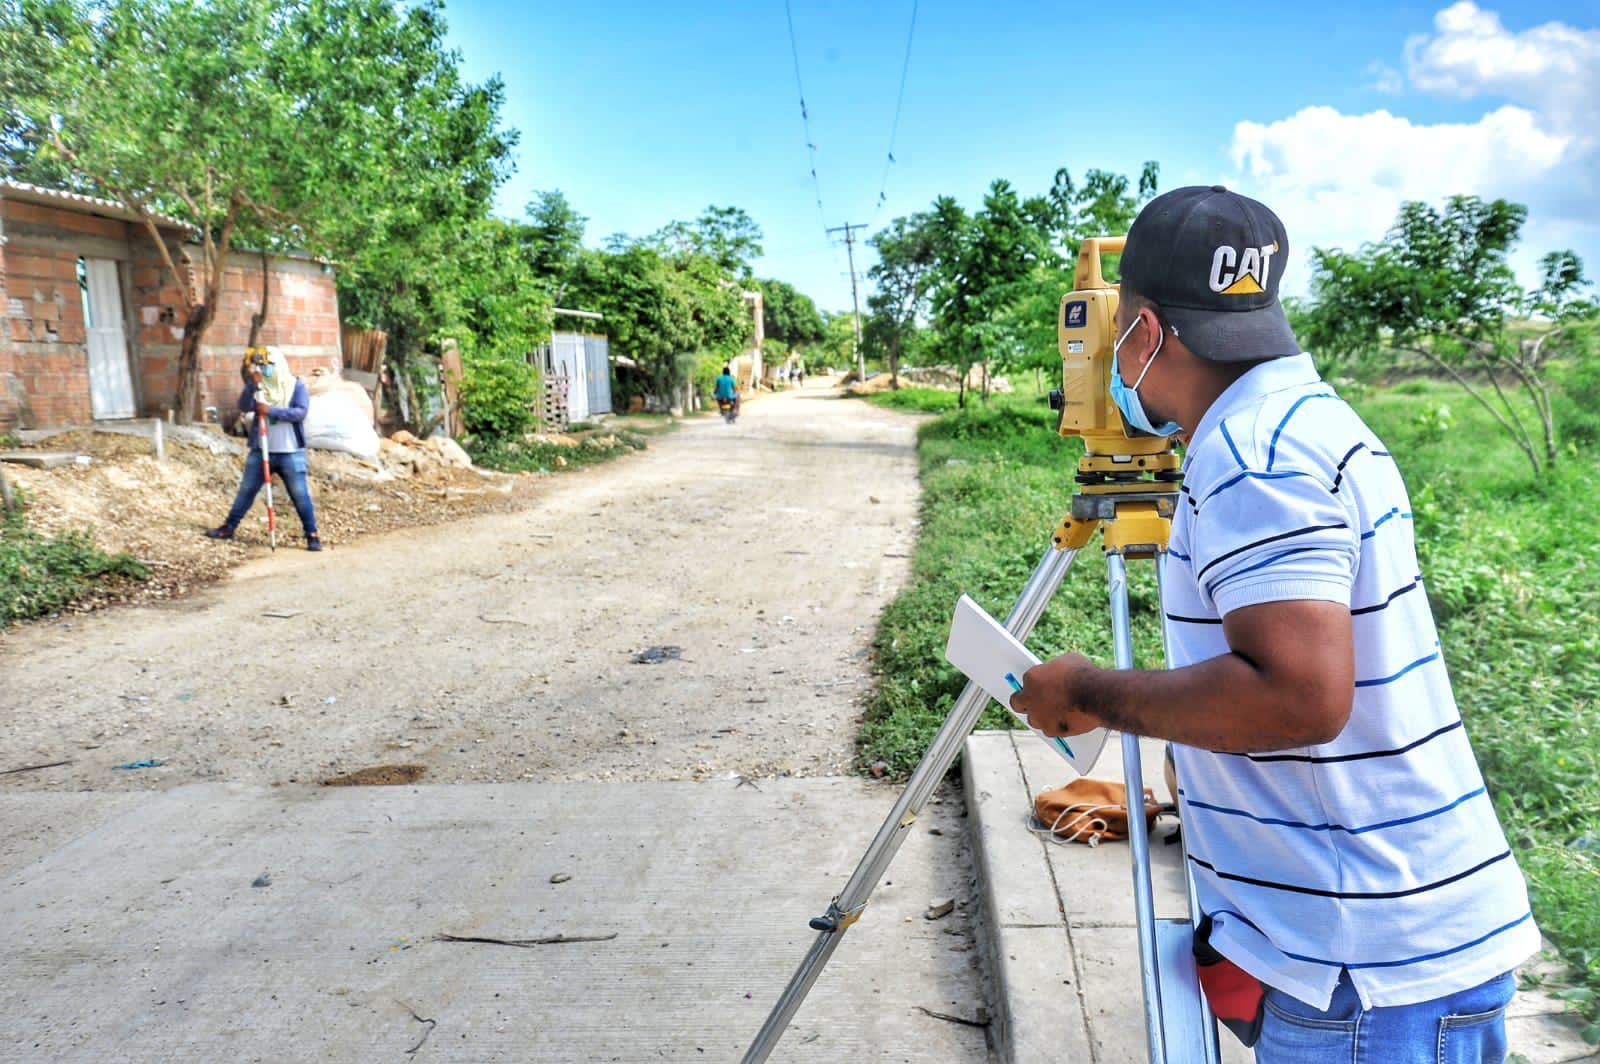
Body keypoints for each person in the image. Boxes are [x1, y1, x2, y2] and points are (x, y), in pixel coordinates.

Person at [1010, 186, 1537, 1061]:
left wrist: (1091, 692)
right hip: (1375, 945)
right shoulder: (1303, 423)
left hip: (1366, 967)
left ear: (1141, 335)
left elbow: (1298, 697)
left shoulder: (1253, 456)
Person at [205, 346, 322, 551]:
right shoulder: (259, 387)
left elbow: (300, 412)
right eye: (263, 366)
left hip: (290, 451)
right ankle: (228, 528)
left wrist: (271, 411)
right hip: (261, 450)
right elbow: (243, 405)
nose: (266, 370)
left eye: (269, 366)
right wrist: (252, 385)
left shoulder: (296, 386)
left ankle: (312, 535)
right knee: (246, 490)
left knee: (300, 494)